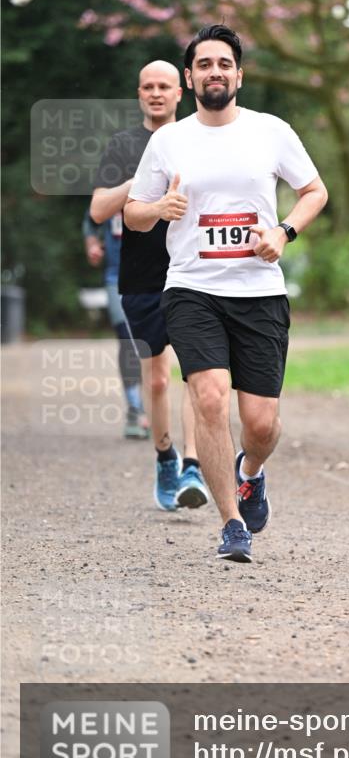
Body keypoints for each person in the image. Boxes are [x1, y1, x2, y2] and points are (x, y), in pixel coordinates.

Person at [125, 24, 328, 562]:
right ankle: (231, 525)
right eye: (204, 64)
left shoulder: (271, 131)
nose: (214, 71)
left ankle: (250, 472)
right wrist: (158, 209)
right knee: (210, 397)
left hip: (259, 292)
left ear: (239, 74)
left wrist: (283, 232)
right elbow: (133, 213)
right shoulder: (168, 141)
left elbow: (314, 191)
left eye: (224, 63)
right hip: (192, 288)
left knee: (260, 424)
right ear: (189, 78)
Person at [90, 61, 209, 511]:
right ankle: (165, 458)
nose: (156, 93)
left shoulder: (198, 138)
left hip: (195, 270)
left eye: (164, 86)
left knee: (198, 373)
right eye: (147, 87)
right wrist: (139, 182)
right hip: (141, 276)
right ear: (139, 94)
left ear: (180, 92)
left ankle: (193, 465)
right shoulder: (123, 146)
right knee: (157, 380)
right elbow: (99, 209)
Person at [82, 207, 149, 439]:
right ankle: (135, 408)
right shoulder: (108, 191)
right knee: (127, 340)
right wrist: (92, 245)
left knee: (149, 344)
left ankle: (151, 407)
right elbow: (91, 221)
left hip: (151, 278)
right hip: (116, 277)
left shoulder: (157, 186)